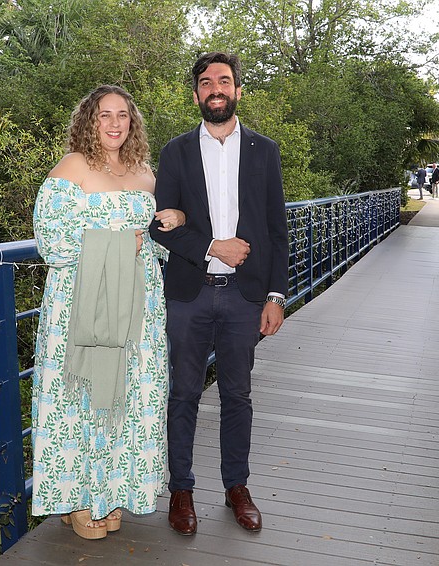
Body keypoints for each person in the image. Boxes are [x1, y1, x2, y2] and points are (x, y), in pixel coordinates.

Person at [31, 85, 185, 540]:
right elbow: (52, 241)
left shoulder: (145, 173)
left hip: (138, 305)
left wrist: (172, 221)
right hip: (80, 305)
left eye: (123, 114)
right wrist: (122, 243)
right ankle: (78, 500)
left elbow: (159, 241)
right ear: (89, 121)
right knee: (79, 398)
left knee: (130, 398)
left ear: (132, 122)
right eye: (104, 115)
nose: (115, 123)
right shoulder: (73, 168)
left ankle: (112, 494)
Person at [149, 52, 289, 536]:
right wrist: (212, 246)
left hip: (245, 298)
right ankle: (182, 491)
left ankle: (236, 488)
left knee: (238, 396)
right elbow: (161, 227)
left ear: (238, 90)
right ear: (196, 94)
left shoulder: (265, 151)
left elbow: (276, 230)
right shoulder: (176, 153)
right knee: (183, 394)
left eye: (224, 82)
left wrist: (276, 295)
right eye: (206, 83)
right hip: (189, 295)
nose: (216, 89)